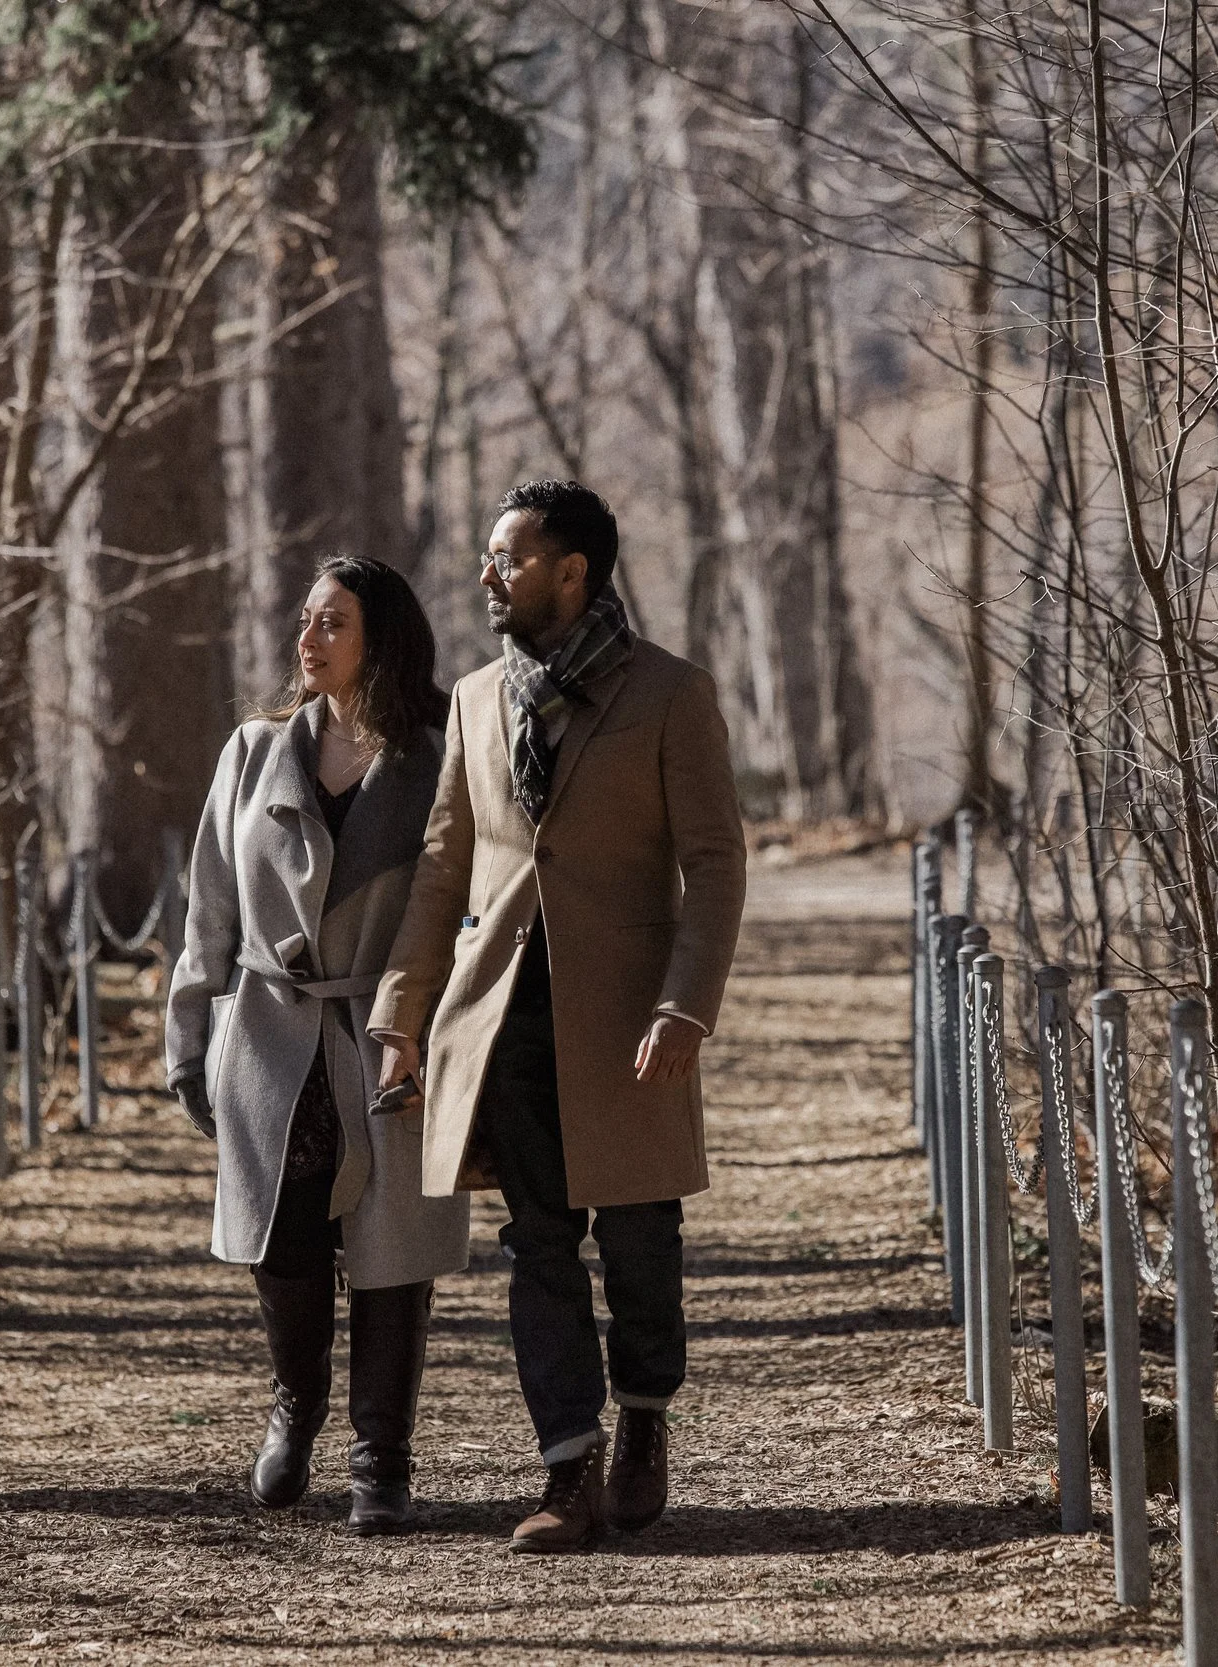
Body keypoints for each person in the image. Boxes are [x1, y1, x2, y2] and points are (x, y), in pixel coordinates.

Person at [371, 480, 746, 1552]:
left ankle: (642, 1421)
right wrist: (403, 1011)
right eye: (491, 556)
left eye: (512, 557)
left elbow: (715, 863)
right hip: (499, 1020)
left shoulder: (672, 694)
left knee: (638, 1239)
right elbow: (443, 868)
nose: (489, 572)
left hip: (631, 1021)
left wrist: (687, 1005)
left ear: (572, 570)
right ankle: (564, 1466)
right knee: (536, 1244)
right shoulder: (477, 698)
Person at [163, 556, 470, 1535]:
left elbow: (468, 901)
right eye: (305, 619)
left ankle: (382, 1457)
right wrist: (188, 1028)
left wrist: (440, 1024)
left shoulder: (434, 758)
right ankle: (296, 1404)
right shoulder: (253, 752)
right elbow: (207, 902)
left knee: (391, 1251)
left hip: (386, 1033)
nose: (309, 638)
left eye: (333, 621)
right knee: (282, 1240)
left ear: (379, 637)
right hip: (269, 1032)